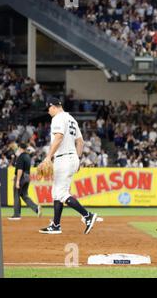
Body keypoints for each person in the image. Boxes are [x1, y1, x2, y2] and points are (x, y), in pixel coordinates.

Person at [39, 97, 98, 235]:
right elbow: (80, 142)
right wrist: (77, 159)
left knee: (61, 193)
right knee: (56, 193)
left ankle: (87, 215)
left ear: (53, 106)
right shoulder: (71, 119)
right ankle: (56, 225)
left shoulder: (58, 118)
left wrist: (48, 157)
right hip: (72, 157)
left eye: (48, 109)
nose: (48, 112)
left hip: (63, 158)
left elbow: (59, 137)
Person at [8, 143, 42, 220]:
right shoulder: (27, 156)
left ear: (20, 148)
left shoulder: (20, 157)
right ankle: (36, 208)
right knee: (24, 195)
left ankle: (17, 215)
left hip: (21, 177)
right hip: (27, 177)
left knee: (16, 195)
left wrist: (17, 181)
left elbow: (20, 169)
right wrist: (15, 176)